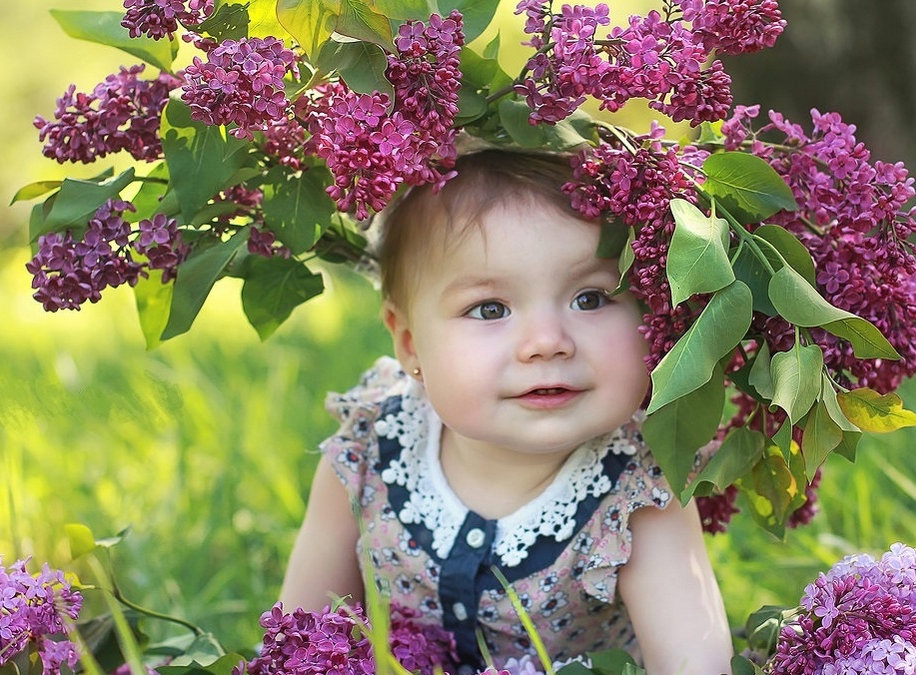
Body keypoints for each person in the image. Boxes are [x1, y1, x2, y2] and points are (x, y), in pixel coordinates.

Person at [279, 149, 733, 674]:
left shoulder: (638, 497)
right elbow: (300, 642)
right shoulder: (369, 449)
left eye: (590, 298)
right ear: (409, 344)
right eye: (490, 309)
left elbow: (696, 665)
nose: (547, 343)